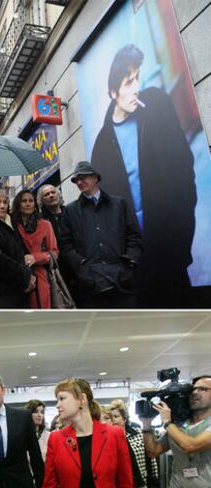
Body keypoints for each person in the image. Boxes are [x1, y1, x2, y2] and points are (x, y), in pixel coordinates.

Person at [91, 44, 197, 308]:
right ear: (113, 91)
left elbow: (184, 169)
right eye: (128, 82)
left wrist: (182, 239)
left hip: (170, 244)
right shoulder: (102, 145)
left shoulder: (155, 108)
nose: (135, 87)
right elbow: (102, 213)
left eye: (137, 78)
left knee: (186, 316)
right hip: (135, 260)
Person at [59, 161, 143, 309]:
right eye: (76, 180)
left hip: (122, 282)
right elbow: (66, 245)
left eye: (82, 177)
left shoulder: (119, 204)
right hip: (91, 286)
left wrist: (128, 263)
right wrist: (82, 268)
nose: (79, 182)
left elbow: (134, 236)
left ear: (95, 178)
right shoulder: (70, 211)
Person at [0, 188, 36, 308]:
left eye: (5, 202)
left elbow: (18, 253)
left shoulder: (10, 224)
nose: (2, 206)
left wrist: (28, 267)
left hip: (17, 290)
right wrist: (25, 277)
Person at [11, 190, 59, 309]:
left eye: (31, 201)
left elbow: (54, 252)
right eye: (24, 201)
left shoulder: (45, 225)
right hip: (17, 276)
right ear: (18, 204)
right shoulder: (11, 224)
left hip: (40, 277)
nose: (28, 204)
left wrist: (35, 257)